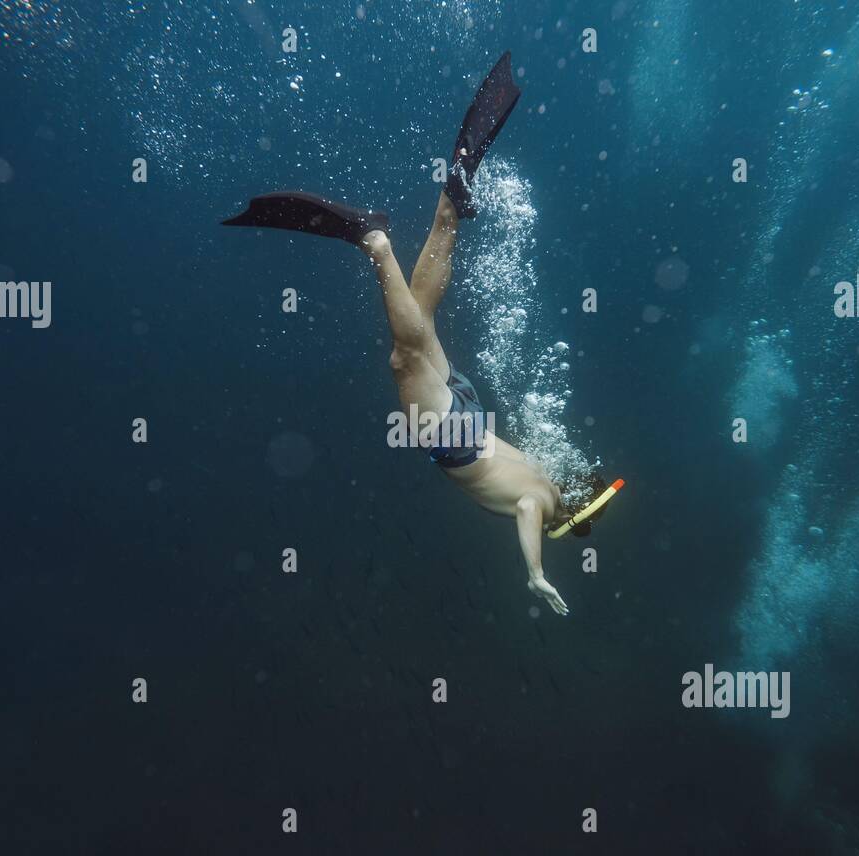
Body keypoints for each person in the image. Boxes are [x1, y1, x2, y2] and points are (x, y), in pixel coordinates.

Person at [222, 52, 606, 616]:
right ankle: (373, 241)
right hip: (456, 438)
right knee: (405, 356)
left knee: (421, 327)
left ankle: (450, 207)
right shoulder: (545, 500)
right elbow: (526, 508)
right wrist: (534, 574)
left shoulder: (549, 473)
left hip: (468, 410)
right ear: (572, 513)